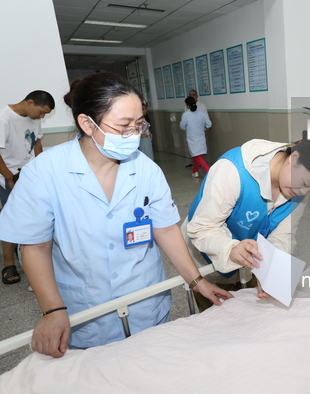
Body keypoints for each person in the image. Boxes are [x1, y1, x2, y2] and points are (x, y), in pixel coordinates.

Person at [0, 72, 232, 357]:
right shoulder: (45, 172)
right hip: (86, 311)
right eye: (124, 126)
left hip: (146, 301)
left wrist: (196, 281)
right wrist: (52, 310)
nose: (134, 134)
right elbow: (35, 246)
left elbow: (166, 229)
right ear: (87, 123)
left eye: (139, 125)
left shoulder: (146, 170)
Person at [181, 136, 310, 311]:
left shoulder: (299, 192)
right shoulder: (235, 171)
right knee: (219, 322)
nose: (303, 192)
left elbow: (283, 236)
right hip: (206, 263)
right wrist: (230, 249)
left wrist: (272, 272)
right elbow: (202, 227)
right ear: (293, 158)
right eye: (305, 183)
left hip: (248, 263)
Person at [0, 90, 54, 285]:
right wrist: (9, 177)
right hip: (8, 175)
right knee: (11, 219)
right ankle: (8, 264)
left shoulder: (34, 118)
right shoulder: (4, 118)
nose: (42, 116)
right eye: (41, 112)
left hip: (29, 174)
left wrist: (42, 169)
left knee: (36, 217)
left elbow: (37, 143)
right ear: (30, 102)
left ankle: (36, 259)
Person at [180, 96, 212, 178]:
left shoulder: (186, 115)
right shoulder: (201, 114)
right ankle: (195, 171)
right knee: (197, 155)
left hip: (192, 138)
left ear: (188, 106)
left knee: (197, 156)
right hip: (201, 137)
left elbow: (182, 126)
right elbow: (209, 124)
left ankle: (209, 172)